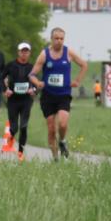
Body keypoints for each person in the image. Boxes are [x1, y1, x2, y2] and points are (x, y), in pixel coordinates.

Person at [31, 28, 87, 161]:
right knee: (51, 129)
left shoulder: (69, 53)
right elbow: (32, 74)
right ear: (51, 39)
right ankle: (55, 158)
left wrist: (77, 81)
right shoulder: (44, 54)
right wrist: (37, 82)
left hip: (63, 95)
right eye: (56, 38)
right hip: (48, 97)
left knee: (62, 124)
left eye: (61, 38)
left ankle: (62, 141)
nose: (59, 41)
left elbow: (84, 65)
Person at [2, 42, 38, 161]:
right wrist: (5, 90)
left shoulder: (32, 67)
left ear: (29, 53)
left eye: (26, 51)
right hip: (13, 100)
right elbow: (0, 77)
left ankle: (20, 152)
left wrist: (34, 89)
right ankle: (11, 137)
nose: (24, 53)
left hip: (26, 100)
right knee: (14, 127)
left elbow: (39, 82)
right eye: (22, 51)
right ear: (18, 52)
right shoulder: (11, 65)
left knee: (23, 126)